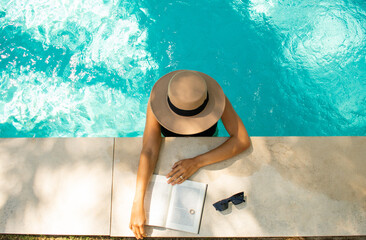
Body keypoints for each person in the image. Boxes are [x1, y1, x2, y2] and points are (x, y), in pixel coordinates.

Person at [129, 70, 250, 239]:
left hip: (207, 142)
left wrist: (197, 162)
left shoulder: (213, 98)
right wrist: (138, 202)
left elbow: (242, 140)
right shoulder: (158, 101)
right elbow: (149, 150)